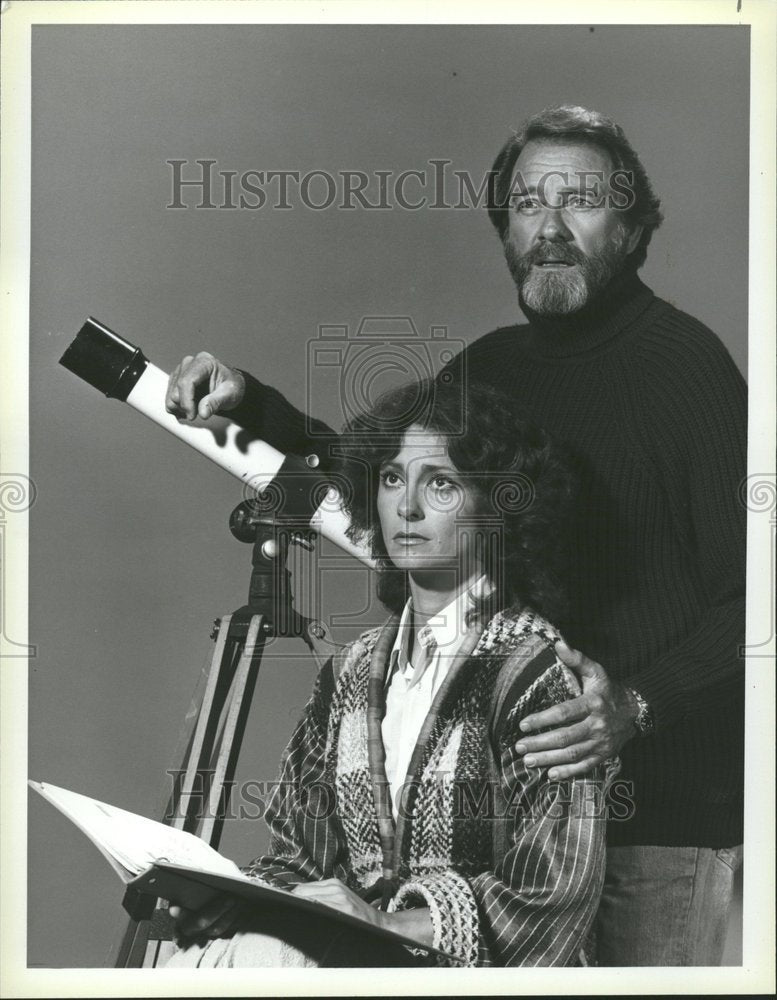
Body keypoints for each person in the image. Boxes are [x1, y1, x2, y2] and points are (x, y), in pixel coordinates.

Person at [165, 105, 746, 966]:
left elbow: (763, 596)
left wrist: (634, 704)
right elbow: (384, 476)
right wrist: (250, 404)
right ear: (502, 226)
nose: (549, 228)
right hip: (508, 836)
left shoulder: (687, 368)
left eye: (580, 200)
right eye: (524, 204)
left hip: (656, 826)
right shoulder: (492, 368)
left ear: (631, 226)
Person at [165, 379, 618, 968]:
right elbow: (300, 854)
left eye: (443, 484)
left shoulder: (534, 670)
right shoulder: (353, 671)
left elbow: (551, 896)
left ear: (496, 506)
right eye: (392, 478)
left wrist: (386, 921)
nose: (407, 506)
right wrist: (232, 901)